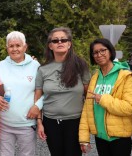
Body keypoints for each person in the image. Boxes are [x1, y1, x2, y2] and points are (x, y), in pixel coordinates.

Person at [35, 27, 90, 156]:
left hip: (75, 122)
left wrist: (87, 125)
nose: (60, 42)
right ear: (50, 46)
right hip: (51, 122)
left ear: (69, 44)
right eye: (55, 40)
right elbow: (38, 97)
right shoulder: (43, 69)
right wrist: (39, 122)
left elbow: (88, 95)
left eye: (63, 40)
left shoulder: (80, 65)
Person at [79, 38, 132, 156]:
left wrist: (103, 99)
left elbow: (129, 107)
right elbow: (87, 109)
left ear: (110, 51)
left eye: (102, 50)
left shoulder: (125, 76)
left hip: (119, 139)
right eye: (95, 52)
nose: (99, 54)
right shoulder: (95, 77)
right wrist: (84, 138)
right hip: (100, 138)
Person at [0, 31, 42, 156]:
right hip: (5, 124)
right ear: (7, 48)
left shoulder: (35, 66)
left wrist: (37, 106)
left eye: (18, 45)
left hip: (27, 123)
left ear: (25, 47)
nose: (15, 49)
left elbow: (46, 91)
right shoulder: (1, 66)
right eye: (11, 46)